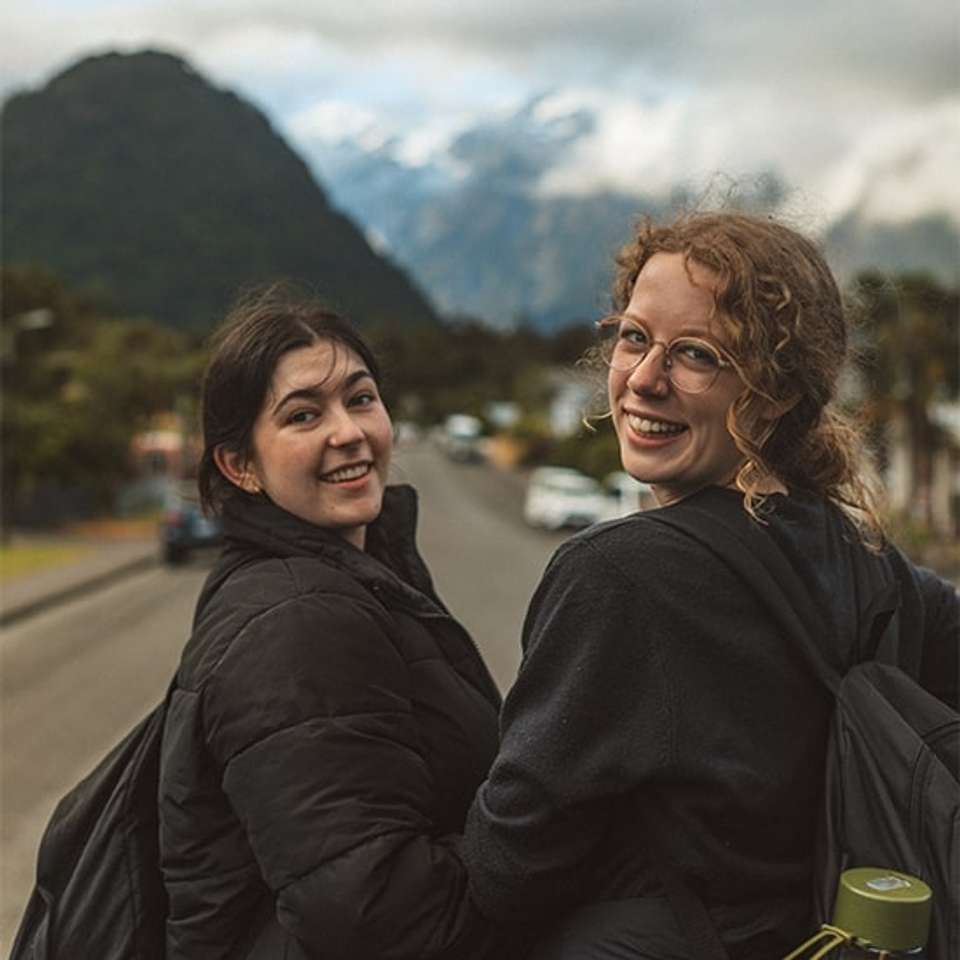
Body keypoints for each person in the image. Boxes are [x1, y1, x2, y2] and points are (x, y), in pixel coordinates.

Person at [462, 212, 959, 959]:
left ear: (776, 393)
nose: (642, 380)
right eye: (633, 337)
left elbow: (514, 857)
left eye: (695, 354)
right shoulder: (875, 564)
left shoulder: (619, 572)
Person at [158, 287, 510, 959]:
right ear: (240, 466)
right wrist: (550, 841)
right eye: (302, 415)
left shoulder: (358, 574)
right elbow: (374, 918)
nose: (347, 431)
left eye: (360, 397)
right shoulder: (296, 620)